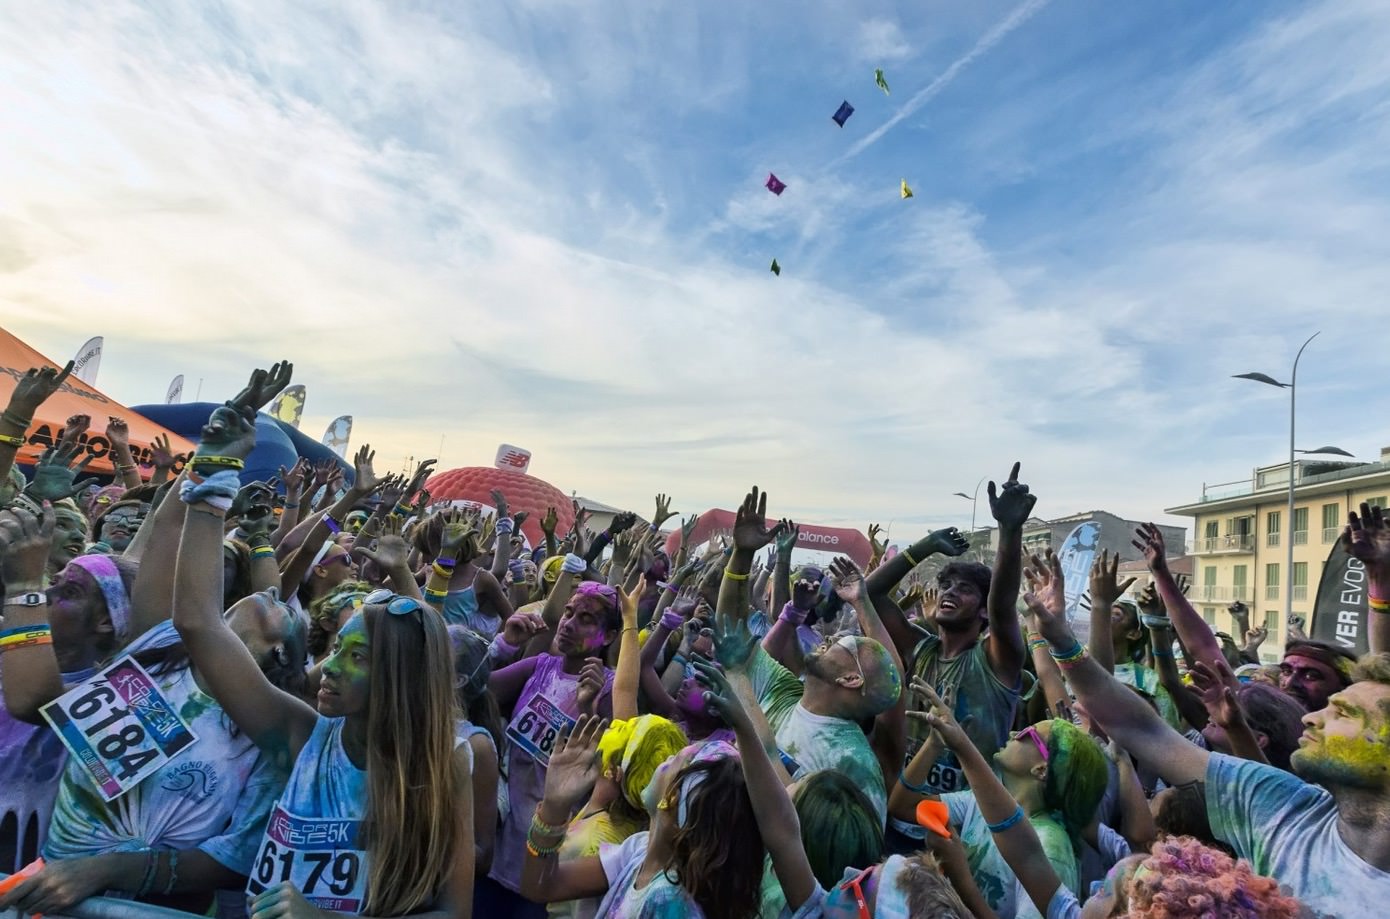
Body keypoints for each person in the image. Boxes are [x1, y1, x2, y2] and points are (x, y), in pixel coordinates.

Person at [169, 378, 473, 917]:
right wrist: (213, 476)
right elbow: (199, 625)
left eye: (357, 657)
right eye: (337, 649)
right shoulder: (301, 734)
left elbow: (453, 912)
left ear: (399, 679)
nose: (328, 667)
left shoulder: (443, 766)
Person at [1025, 544, 1390, 917]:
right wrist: (1062, 641)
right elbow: (1142, 728)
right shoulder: (1286, 806)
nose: (1312, 718)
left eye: (1344, 713)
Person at [865, 464, 1032, 850]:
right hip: (899, 820)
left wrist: (1009, 529)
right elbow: (870, 595)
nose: (950, 592)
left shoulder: (996, 662)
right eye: (946, 585)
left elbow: (1004, 601)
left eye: (965, 589)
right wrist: (923, 548)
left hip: (963, 831)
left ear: (984, 610)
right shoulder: (917, 647)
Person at [480, 564, 617, 917]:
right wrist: (506, 643)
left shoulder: (613, 689)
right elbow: (472, 691)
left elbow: (611, 774)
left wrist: (589, 704)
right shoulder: (539, 666)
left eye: (586, 619)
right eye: (568, 612)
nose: (569, 624)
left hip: (545, 864)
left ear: (610, 635)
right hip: (494, 850)